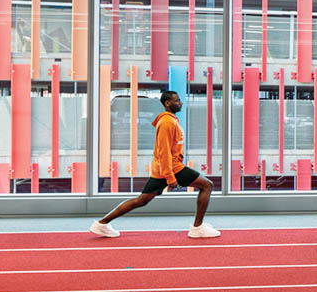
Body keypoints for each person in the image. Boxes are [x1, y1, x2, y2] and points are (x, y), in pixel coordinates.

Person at [90, 90, 220, 239]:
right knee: (207, 185)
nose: (180, 103)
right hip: (171, 168)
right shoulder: (166, 122)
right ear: (167, 103)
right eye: (177, 101)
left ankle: (102, 223)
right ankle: (197, 228)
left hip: (166, 168)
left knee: (142, 200)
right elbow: (163, 152)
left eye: (180, 100)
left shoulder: (171, 120)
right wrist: (170, 177)